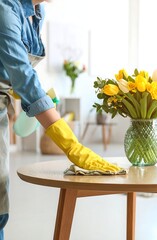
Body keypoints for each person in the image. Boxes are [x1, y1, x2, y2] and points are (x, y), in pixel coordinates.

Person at [0, 0, 123, 239]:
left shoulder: (37, 11)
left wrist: (32, 100)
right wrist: (72, 146)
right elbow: (23, 76)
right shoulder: (5, 8)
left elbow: (23, 70)